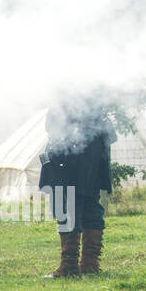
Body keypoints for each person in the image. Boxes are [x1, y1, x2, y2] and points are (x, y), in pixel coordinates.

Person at [39, 107, 114, 277]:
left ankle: (69, 266)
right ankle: (89, 265)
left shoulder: (69, 101)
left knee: (68, 210)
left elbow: (53, 125)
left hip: (71, 157)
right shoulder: (93, 101)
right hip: (91, 157)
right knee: (89, 207)